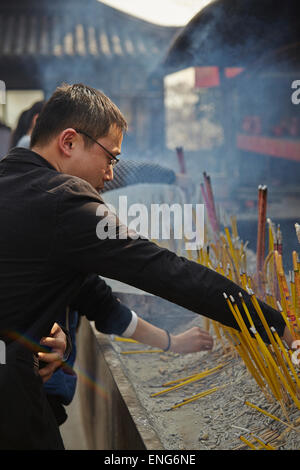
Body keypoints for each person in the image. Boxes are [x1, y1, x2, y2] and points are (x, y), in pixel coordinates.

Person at [0, 83, 291, 450]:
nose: (109, 175)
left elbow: (94, 298)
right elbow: (166, 270)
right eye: (110, 158)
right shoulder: (65, 201)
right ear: (69, 142)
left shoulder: (9, 179)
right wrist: (271, 323)